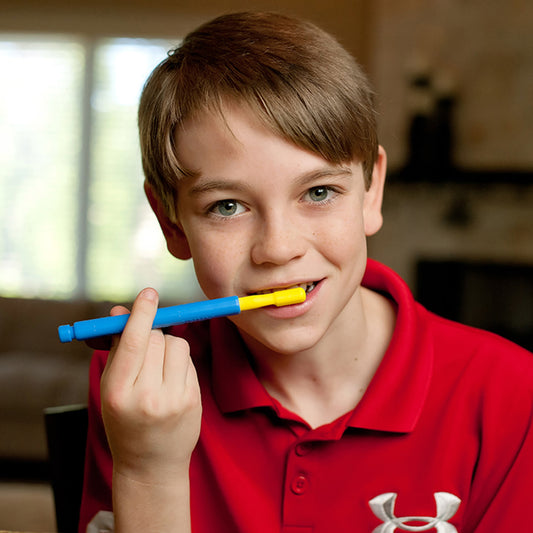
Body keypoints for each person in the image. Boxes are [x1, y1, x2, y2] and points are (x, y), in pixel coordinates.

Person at [78, 11, 533, 533]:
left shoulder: (511, 396)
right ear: (171, 223)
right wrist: (147, 470)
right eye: (227, 206)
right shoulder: (139, 392)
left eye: (318, 193)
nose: (278, 249)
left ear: (371, 192)